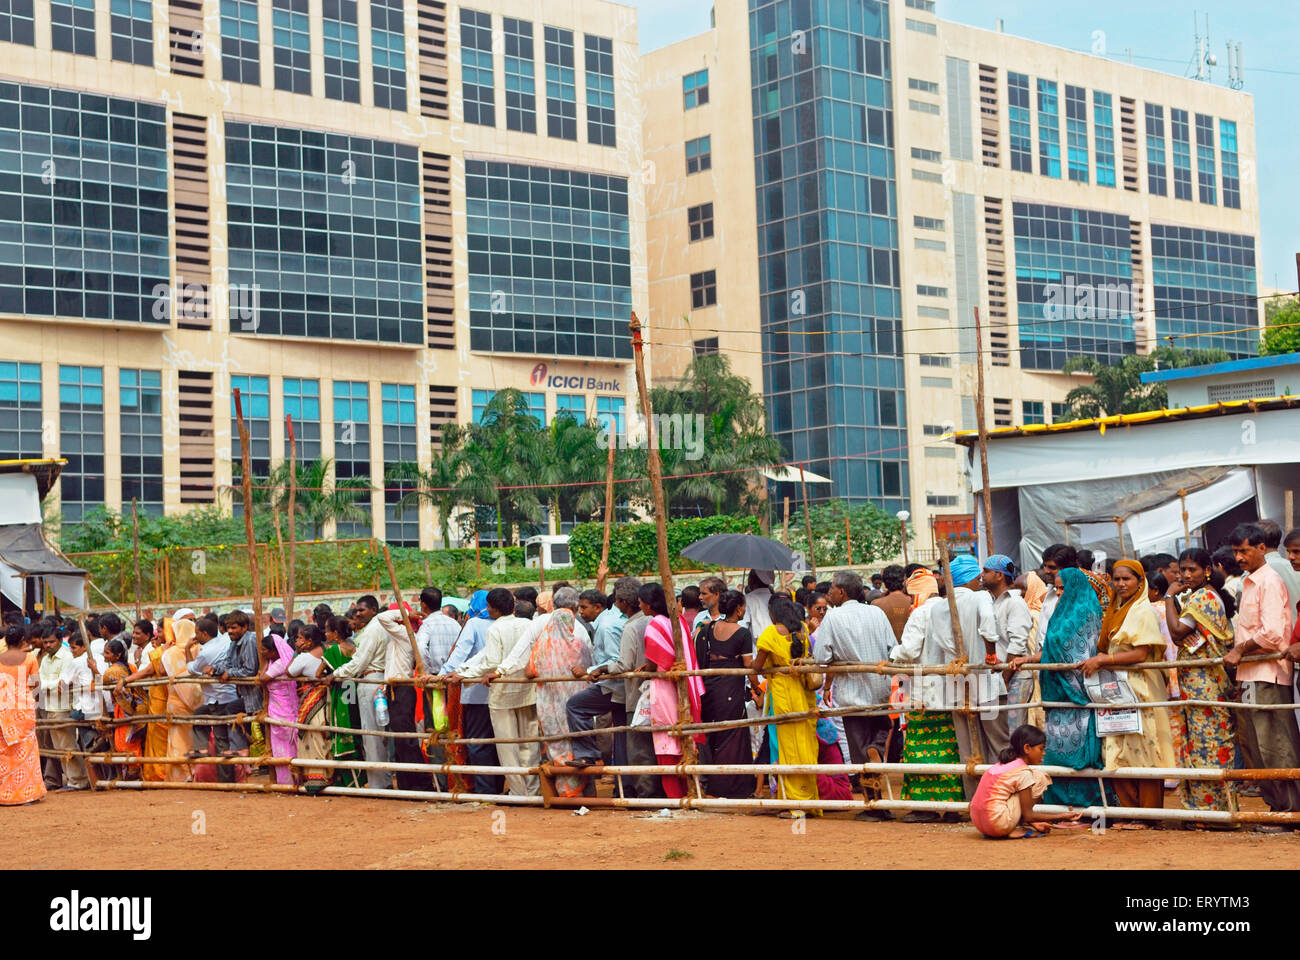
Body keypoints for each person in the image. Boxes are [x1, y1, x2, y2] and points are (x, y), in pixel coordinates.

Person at [1080, 559, 1176, 813]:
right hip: (1117, 690)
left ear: (1140, 582)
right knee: (1115, 748)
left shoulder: (1142, 610)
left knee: (1144, 750)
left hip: (1140, 689)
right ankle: (1127, 810)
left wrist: (1104, 660)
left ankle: (1147, 813)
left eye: (1127, 579)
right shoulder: (1116, 609)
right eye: (1117, 579)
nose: (1121, 584)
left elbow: (1141, 653)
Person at [1222, 523, 1300, 828]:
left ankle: (1290, 810)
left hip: (1268, 674)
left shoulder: (1269, 581)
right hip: (1251, 675)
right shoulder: (1250, 582)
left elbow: (1271, 635)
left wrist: (1240, 649)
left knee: (1275, 745)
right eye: (1235, 551)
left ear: (1260, 548)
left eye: (1244, 550)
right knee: (1255, 746)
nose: (1239, 557)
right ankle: (1277, 808)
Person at [1011, 566, 1108, 807]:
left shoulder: (1088, 612)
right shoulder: (1059, 612)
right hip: (1057, 697)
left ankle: (1086, 807)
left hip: (1078, 695)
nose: (1060, 593)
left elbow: (1082, 652)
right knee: (1054, 753)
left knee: (1082, 756)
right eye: (1057, 588)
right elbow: (1049, 651)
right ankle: (1058, 806)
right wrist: (1029, 659)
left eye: (1064, 588)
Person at [814, 570, 895, 819]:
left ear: (842, 591)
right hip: (879, 688)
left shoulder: (833, 618)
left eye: (833, 589)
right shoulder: (876, 612)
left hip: (852, 693)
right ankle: (876, 749)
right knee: (881, 731)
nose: (829, 594)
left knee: (860, 750)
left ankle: (874, 805)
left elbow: (821, 658)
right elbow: (893, 647)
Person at [1164, 548, 1238, 818]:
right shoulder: (1199, 597)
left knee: (1210, 742)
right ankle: (1204, 811)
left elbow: (1177, 633)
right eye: (1182, 570)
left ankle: (1215, 812)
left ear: (1207, 570)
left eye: (1192, 569)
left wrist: (1169, 597)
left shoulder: (1203, 597)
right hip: (1197, 681)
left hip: (1206, 682)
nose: (1185, 575)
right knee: (1198, 742)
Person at [453, 588, 538, 796]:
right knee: (530, 743)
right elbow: (485, 656)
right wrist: (464, 670)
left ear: (491, 609)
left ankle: (519, 793)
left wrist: (465, 674)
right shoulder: (528, 625)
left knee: (508, 747)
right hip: (527, 690)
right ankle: (533, 791)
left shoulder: (495, 629)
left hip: (503, 695)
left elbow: (491, 661)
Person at [751, 595, 819, 815]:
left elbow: (757, 667)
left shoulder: (770, 634)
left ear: (773, 613)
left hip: (782, 696)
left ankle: (795, 803)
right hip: (803, 694)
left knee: (788, 749)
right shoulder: (802, 630)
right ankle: (807, 798)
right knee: (806, 746)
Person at [639, 582, 705, 799]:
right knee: (682, 739)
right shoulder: (678, 622)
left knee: (667, 741)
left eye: (641, 602)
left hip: (666, 687)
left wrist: (645, 669)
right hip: (682, 687)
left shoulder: (655, 625)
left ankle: (676, 796)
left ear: (648, 605)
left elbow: (657, 660)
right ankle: (690, 791)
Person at [568, 578, 636, 770]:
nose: (580, 612)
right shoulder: (606, 622)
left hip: (614, 687)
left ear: (598, 607)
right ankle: (624, 783)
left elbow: (617, 660)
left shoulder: (606, 626)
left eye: (584, 607)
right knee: (621, 734)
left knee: (575, 706)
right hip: (618, 688)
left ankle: (588, 755)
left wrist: (589, 670)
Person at [694, 588, 754, 797]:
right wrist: (757, 686)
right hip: (730, 689)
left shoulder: (707, 629)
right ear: (738, 608)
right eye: (744, 605)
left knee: (714, 734)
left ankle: (711, 783)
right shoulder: (742, 633)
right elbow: (749, 665)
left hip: (709, 689)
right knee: (732, 733)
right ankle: (730, 786)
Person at [440, 590, 501, 795]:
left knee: (477, 742)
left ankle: (485, 790)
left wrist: (442, 674)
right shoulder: (502, 623)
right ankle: (497, 787)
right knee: (498, 743)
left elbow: (460, 653)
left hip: (476, 693)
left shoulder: (474, 624)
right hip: (501, 692)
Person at [527, 608, 592, 797]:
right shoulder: (579, 645)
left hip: (550, 704)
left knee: (556, 743)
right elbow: (589, 666)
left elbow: (530, 672)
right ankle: (581, 790)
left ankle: (564, 792)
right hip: (575, 703)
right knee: (575, 742)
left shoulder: (542, 646)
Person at [330, 596, 393, 789]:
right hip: (378, 679)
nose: (358, 613)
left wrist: (337, 673)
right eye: (356, 610)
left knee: (371, 735)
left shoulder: (373, 630)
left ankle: (379, 784)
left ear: (373, 609)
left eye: (362, 610)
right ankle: (384, 780)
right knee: (380, 734)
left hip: (370, 680)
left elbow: (360, 662)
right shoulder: (381, 627)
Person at [970, 725, 1077, 838]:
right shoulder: (1023, 772)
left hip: (979, 823)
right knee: (1040, 777)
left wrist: (1033, 822)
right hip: (997, 824)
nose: (1044, 753)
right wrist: (1063, 816)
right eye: (1041, 748)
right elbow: (1028, 816)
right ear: (1027, 748)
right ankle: (1011, 828)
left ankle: (1011, 826)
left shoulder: (999, 765)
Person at [186, 615, 241, 783]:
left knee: (221, 740)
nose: (195, 637)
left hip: (217, 700)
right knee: (200, 718)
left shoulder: (206, 652)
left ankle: (226, 779)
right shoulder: (224, 641)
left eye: (196, 633)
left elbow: (192, 669)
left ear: (203, 634)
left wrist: (187, 650)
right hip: (231, 696)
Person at [983, 555, 1034, 736]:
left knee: (1014, 730)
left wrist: (1005, 677)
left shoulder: (1015, 602)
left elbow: (1017, 643)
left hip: (1015, 677)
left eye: (986, 571)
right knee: (1002, 730)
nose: (982, 575)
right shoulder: (991, 602)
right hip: (1001, 676)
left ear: (999, 575)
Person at [0, 624, 44, 805]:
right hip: (23, 708)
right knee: (25, 751)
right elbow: (35, 685)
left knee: (3, 751)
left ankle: (4, 794)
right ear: (22, 640)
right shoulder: (30, 658)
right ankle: (26, 793)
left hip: (3, 709)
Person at [258, 632, 299, 785]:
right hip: (279, 708)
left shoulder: (280, 664)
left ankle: (290, 780)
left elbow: (263, 679)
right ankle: (288, 780)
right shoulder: (276, 662)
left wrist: (263, 666)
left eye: (264, 650)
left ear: (273, 651)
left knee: (286, 745)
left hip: (283, 709)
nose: (262, 652)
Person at [100, 638, 143, 767]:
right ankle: (133, 771)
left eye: (107, 653)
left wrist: (95, 669)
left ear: (117, 655)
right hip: (136, 709)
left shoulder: (111, 671)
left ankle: (133, 771)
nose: (105, 655)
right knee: (131, 742)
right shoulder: (131, 666)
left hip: (125, 710)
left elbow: (99, 682)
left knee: (124, 743)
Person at [1259, 520, 1300, 630]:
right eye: (1289, 552)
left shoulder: (1261, 571)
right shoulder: (1291, 566)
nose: (1291, 557)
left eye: (1296, 551)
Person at [872, 565, 912, 642]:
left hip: (888, 651)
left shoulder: (876, 604)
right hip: (910, 650)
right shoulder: (913, 602)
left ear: (885, 582)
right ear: (904, 581)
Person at [740, 569, 775, 639]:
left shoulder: (746, 600)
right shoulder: (776, 598)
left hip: (756, 647)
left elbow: (742, 627)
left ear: (750, 581)